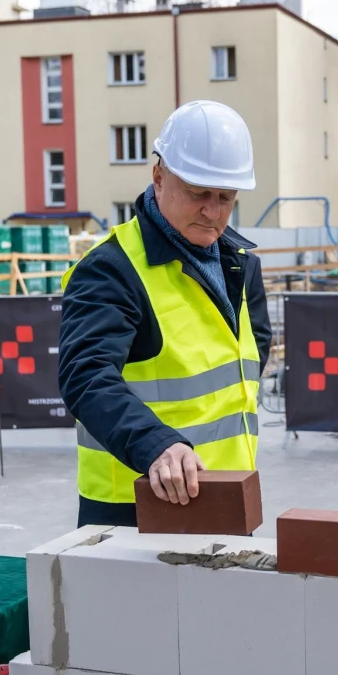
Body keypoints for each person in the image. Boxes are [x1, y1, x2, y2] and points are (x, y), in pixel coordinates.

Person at [57, 100, 272, 529]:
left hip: (225, 491)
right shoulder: (112, 269)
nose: (213, 211)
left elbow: (250, 354)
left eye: (225, 197)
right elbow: (86, 376)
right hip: (135, 504)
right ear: (159, 176)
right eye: (198, 193)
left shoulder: (240, 265)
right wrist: (155, 444)